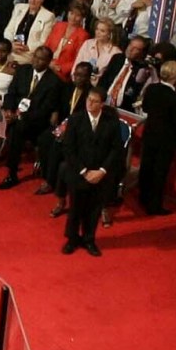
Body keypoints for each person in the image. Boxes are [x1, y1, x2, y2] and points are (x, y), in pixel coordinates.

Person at [61, 84, 128, 255]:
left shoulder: (111, 123)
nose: (90, 103)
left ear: (102, 105)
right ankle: (72, 239)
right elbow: (69, 149)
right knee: (75, 208)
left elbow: (117, 150)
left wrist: (102, 171)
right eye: (88, 99)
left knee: (94, 209)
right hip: (78, 173)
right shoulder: (75, 120)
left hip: (101, 175)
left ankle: (89, 239)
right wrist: (84, 171)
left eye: (94, 101)